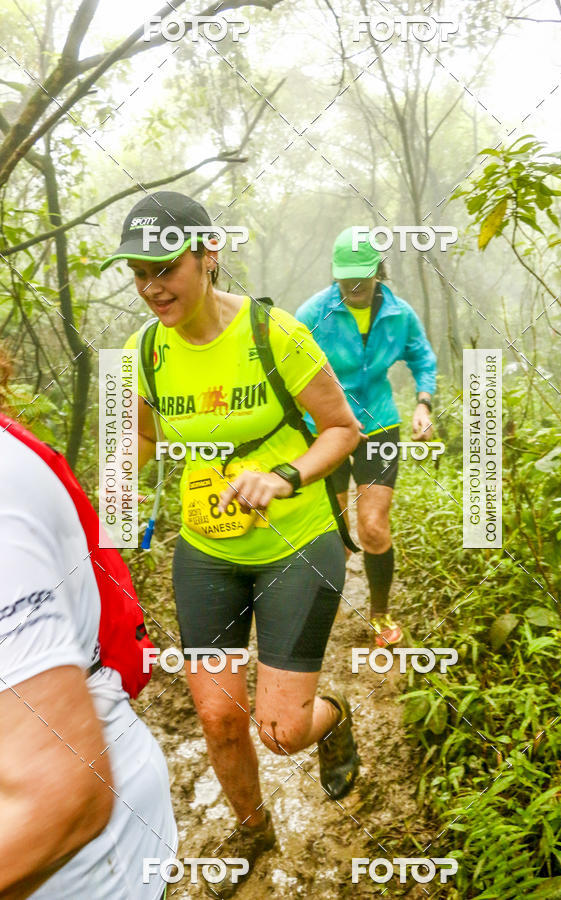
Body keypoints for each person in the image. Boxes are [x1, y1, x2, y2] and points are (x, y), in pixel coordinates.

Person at [100, 191, 362, 894]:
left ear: (208, 255)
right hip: (208, 551)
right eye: (138, 274)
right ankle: (253, 829)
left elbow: (342, 429)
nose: (152, 288)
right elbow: (143, 437)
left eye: (165, 268)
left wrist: (283, 475)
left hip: (296, 543)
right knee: (219, 718)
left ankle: (333, 716)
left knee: (281, 732)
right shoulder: (144, 351)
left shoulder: (275, 334)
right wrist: (113, 490)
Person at [0, 352, 177, 899]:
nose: (156, 303)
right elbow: (128, 440)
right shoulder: (138, 350)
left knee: (252, 719)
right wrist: (117, 502)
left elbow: (58, 799)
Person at [295, 227, 437, 648]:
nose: (353, 286)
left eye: (362, 277)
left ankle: (379, 612)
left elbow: (422, 358)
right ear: (335, 274)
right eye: (346, 278)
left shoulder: (399, 314)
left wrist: (423, 404)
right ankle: (324, 608)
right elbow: (287, 369)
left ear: (379, 271)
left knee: (373, 526)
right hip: (325, 428)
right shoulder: (312, 313)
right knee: (334, 534)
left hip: (379, 424)